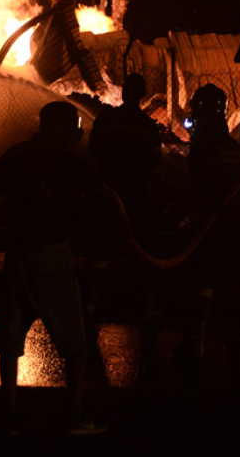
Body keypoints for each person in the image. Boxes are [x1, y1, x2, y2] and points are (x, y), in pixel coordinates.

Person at [0, 100, 128, 437]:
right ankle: (75, 417)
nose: (76, 131)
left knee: (10, 340)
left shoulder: (16, 154)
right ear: (61, 127)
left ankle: (10, 418)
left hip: (18, 257)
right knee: (76, 345)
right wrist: (126, 225)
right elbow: (106, 196)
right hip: (52, 256)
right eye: (72, 124)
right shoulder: (69, 158)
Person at [178, 82, 240, 395]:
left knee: (203, 280)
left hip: (212, 222)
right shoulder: (233, 146)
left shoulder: (203, 146)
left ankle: (195, 344)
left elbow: (198, 185)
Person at [85, 73, 165, 322]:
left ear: (124, 91)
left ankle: (89, 303)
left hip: (109, 190)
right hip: (137, 193)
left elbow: (94, 149)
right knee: (143, 247)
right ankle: (146, 304)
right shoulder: (148, 126)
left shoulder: (107, 119)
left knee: (100, 246)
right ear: (142, 94)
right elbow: (155, 162)